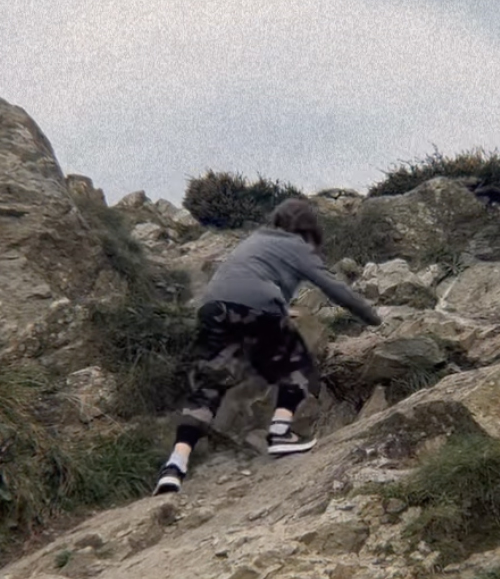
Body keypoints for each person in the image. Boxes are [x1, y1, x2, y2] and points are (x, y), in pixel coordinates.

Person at [154, 197, 381, 493]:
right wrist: (373, 318)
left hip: (213, 308)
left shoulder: (256, 239)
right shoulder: (298, 246)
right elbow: (334, 288)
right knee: (297, 364)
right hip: (256, 308)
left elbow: (244, 279)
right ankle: (279, 435)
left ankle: (175, 465)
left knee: (209, 386)